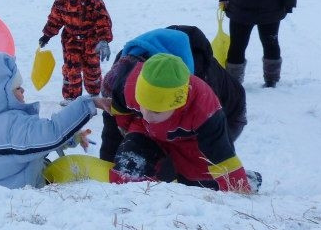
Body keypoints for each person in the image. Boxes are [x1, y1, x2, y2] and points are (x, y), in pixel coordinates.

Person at [0, 51, 110, 189]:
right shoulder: (13, 126)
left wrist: (72, 137)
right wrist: (90, 103)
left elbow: (32, 142)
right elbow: (52, 132)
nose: (23, 90)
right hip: (16, 190)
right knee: (73, 165)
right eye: (17, 87)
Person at [108, 53, 254, 193]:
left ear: (178, 104)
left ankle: (249, 179)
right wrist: (125, 130)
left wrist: (239, 191)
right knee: (129, 164)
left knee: (200, 186)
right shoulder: (129, 85)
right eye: (143, 106)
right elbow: (120, 107)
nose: (147, 115)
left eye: (157, 111)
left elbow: (222, 157)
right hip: (145, 130)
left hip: (188, 141)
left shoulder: (204, 108)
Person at [98, 26, 246, 162]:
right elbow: (112, 128)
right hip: (165, 106)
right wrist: (108, 165)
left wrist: (229, 177)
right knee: (144, 145)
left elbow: (217, 143)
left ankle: (245, 182)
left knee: (192, 162)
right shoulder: (123, 70)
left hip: (229, 113)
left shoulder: (199, 85)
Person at [38, 0, 113, 105]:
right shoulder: (60, 3)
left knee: (92, 69)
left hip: (91, 41)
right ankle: (71, 97)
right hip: (70, 40)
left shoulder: (94, 5)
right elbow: (54, 20)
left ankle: (93, 95)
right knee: (71, 69)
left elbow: (103, 22)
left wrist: (103, 40)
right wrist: (47, 35)